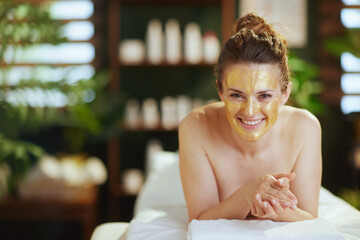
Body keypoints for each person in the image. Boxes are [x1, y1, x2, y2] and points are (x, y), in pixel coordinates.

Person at [179, 13, 322, 222]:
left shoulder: (305, 128)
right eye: (237, 95)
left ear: (285, 94)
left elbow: (309, 218)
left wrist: (271, 203)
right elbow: (199, 219)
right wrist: (248, 194)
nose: (250, 111)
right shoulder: (195, 127)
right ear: (220, 90)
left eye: (264, 96)